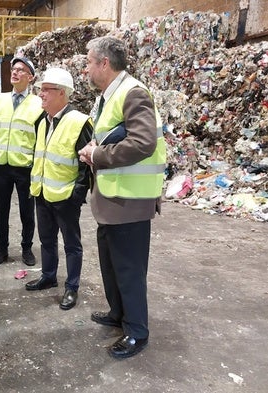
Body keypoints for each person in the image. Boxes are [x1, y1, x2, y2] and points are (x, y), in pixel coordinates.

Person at [78, 36, 166, 359]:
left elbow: (143, 142)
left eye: (89, 61)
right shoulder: (107, 96)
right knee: (111, 265)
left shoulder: (134, 93)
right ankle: (118, 313)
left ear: (104, 63)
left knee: (128, 269)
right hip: (111, 199)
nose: (86, 67)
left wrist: (98, 156)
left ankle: (137, 332)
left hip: (131, 202)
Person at [25, 68, 93, 311]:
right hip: (42, 192)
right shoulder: (42, 121)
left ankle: (72, 287)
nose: (40, 94)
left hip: (66, 197)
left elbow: (87, 164)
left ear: (62, 93)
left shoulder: (79, 122)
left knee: (72, 244)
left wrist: (77, 195)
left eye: (46, 89)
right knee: (46, 240)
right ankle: (49, 275)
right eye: (41, 89)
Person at [0, 57, 44, 266]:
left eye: (21, 70)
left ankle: (27, 248)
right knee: (1, 212)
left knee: (27, 213)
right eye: (14, 69)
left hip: (24, 169)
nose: (15, 72)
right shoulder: (0, 99)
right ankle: (2, 249)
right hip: (1, 167)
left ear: (30, 77)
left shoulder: (38, 104)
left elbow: (40, 138)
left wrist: (35, 166)